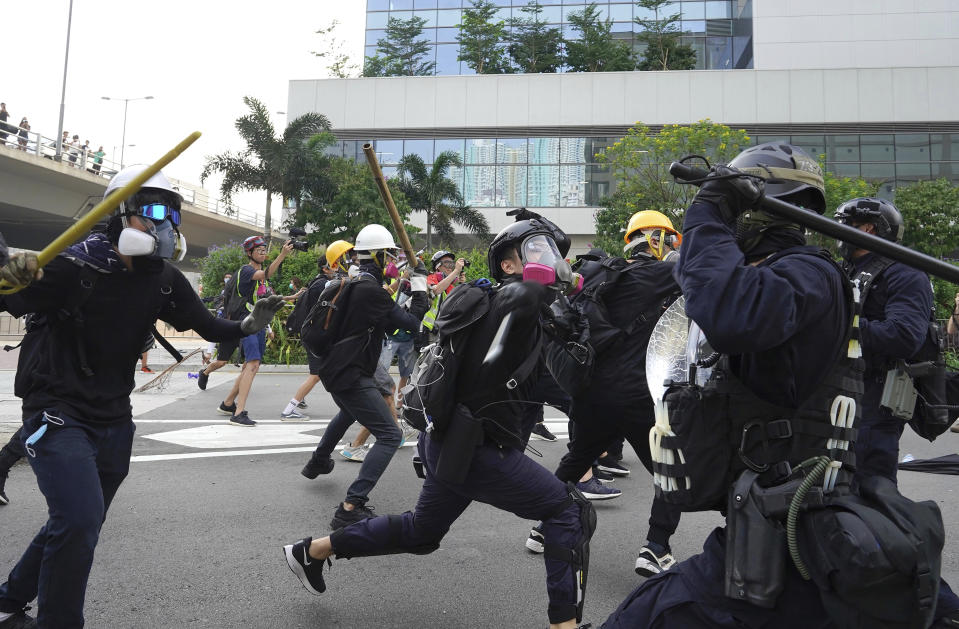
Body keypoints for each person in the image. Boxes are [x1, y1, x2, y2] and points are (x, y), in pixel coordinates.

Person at [0, 166, 282, 628]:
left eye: (173, 214)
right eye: (153, 211)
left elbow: (208, 326)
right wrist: (9, 273)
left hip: (114, 418)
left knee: (78, 522)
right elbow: (4, 294)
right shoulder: (72, 265)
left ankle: (10, 597)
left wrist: (247, 325)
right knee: (78, 520)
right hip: (57, 410)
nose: (166, 225)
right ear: (120, 214)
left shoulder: (163, 278)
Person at [283, 213, 596, 629]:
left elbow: (565, 388)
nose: (553, 260)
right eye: (538, 251)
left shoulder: (526, 319)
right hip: (475, 450)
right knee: (569, 512)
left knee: (421, 534)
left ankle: (312, 551)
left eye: (553, 252)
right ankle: (565, 625)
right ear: (507, 264)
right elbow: (513, 301)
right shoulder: (499, 303)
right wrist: (534, 294)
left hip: (452, 444)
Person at [601, 142, 868, 628]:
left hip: (795, 531)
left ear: (757, 210)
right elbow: (698, 279)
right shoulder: (769, 275)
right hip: (764, 520)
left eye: (733, 210)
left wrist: (706, 213)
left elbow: (726, 310)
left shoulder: (808, 273)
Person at [528, 210, 685, 573]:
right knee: (670, 471)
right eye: (670, 239)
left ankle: (541, 528)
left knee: (576, 460)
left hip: (589, 392)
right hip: (635, 397)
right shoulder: (657, 275)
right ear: (657, 238)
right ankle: (656, 547)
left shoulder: (602, 274)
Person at [835, 197, 959, 625]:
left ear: (873, 229)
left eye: (853, 225)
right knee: (839, 505)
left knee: (876, 507)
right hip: (838, 403)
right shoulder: (846, 271)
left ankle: (940, 607)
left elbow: (902, 336)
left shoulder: (905, 272)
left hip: (876, 409)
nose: (844, 232)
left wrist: (835, 325)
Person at [297, 224, 428, 529]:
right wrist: (420, 282)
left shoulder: (353, 284)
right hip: (351, 374)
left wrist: (407, 280)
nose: (394, 261)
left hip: (339, 370)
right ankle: (350, 506)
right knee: (390, 435)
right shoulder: (371, 292)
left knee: (348, 411)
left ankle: (318, 460)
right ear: (381, 257)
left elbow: (388, 318)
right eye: (391, 255)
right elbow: (410, 322)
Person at [213, 235, 293, 427]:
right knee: (253, 364)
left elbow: (264, 300)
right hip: (246, 324)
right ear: (250, 253)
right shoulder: (247, 271)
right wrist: (282, 255)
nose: (263, 252)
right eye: (260, 250)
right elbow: (266, 274)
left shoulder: (260, 279)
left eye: (265, 250)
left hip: (256, 324)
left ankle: (228, 404)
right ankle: (238, 413)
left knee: (251, 365)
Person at [278, 240, 354, 421]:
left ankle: (302, 399)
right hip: (314, 335)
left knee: (325, 371)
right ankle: (289, 410)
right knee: (318, 374)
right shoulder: (322, 285)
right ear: (325, 268)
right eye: (333, 264)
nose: (337, 267)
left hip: (313, 334)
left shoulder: (320, 282)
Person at [421, 250, 467, 339]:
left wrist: (461, 284)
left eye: (452, 264)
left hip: (441, 331)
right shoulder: (430, 278)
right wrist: (456, 271)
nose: (450, 267)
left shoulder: (450, 286)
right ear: (438, 266)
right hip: (426, 331)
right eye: (447, 263)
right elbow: (435, 290)